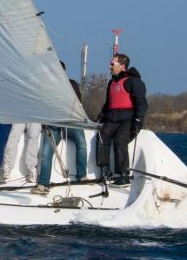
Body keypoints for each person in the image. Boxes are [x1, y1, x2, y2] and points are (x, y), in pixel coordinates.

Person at [31, 62, 87, 194]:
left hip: (71, 124)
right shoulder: (46, 88)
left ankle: (81, 175)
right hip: (53, 125)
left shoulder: (72, 84)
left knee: (81, 143)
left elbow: (77, 104)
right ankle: (43, 183)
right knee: (46, 152)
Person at [96, 53, 148, 186]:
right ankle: (105, 170)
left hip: (128, 119)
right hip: (112, 117)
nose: (110, 66)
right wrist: (100, 117)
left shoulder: (133, 81)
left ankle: (123, 174)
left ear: (122, 66)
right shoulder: (112, 83)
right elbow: (108, 104)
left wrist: (138, 120)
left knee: (120, 140)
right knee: (102, 136)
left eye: (112, 64)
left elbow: (141, 103)